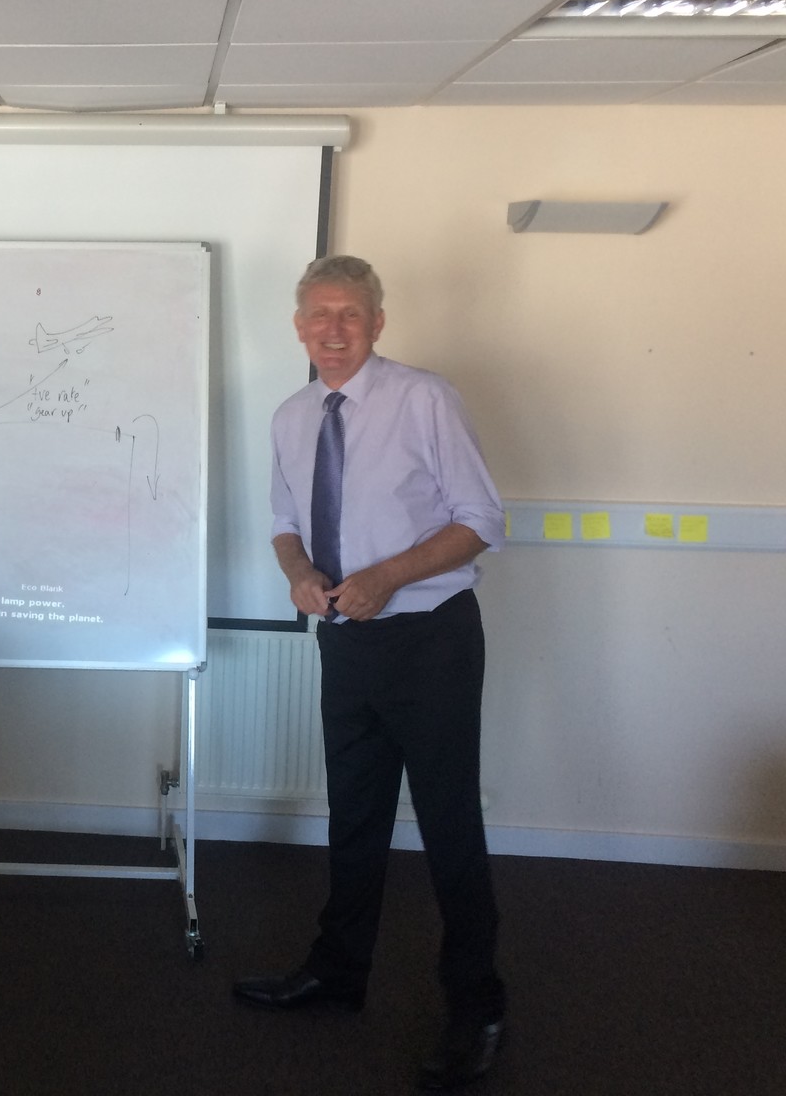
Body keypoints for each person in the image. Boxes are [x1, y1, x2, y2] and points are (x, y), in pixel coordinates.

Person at [233, 255, 508, 1091]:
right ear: (297, 326)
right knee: (353, 816)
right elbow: (285, 522)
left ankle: (476, 1008)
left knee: (447, 825)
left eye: (349, 313)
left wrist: (387, 576)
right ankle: (337, 972)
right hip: (345, 640)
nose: (333, 329)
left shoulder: (423, 398)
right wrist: (297, 574)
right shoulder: (290, 416)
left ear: (376, 322)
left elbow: (480, 519)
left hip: (429, 640)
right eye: (318, 315)